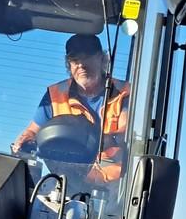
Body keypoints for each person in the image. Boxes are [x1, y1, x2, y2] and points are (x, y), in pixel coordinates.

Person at [10, 34, 130, 185]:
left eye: (87, 56)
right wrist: (24, 141)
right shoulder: (55, 94)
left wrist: (106, 140)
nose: (81, 64)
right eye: (75, 59)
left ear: (102, 59)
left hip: (115, 190)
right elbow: (33, 131)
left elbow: (128, 133)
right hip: (66, 183)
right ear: (69, 64)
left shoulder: (124, 93)